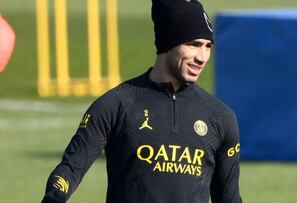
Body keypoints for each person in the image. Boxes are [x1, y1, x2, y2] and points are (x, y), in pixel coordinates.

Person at [41, 0, 242, 202]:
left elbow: (229, 198)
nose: (203, 57)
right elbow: (70, 169)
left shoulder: (220, 117)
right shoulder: (116, 105)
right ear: (168, 42)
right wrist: (55, 196)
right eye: (194, 44)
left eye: (208, 46)